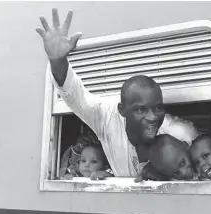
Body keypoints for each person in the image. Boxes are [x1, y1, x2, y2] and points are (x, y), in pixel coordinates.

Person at [35, 8, 198, 177]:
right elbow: (75, 95)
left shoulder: (181, 134)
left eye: (157, 108)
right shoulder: (107, 118)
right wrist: (58, 61)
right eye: (140, 110)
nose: (152, 117)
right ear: (122, 110)